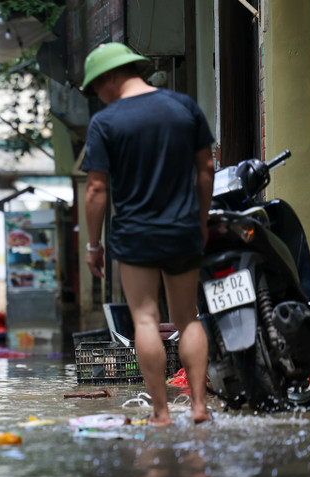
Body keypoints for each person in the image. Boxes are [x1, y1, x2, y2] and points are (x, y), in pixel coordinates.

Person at [80, 42, 214, 426]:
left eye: (96, 88)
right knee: (188, 318)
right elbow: (206, 168)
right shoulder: (183, 107)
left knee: (144, 320)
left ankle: (162, 413)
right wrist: (200, 220)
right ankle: (200, 407)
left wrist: (94, 245)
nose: (98, 96)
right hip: (182, 230)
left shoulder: (106, 122)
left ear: (109, 78)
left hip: (136, 235)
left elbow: (96, 189)